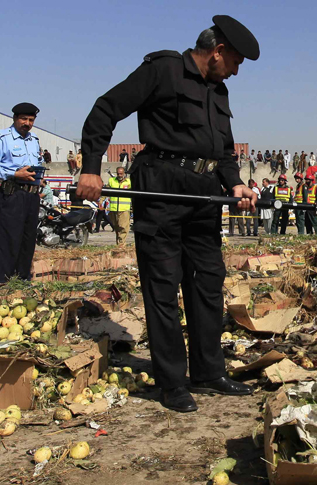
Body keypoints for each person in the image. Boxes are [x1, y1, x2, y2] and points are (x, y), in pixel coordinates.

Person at [75, 16, 260, 413]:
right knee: (163, 286)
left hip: (205, 196)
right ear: (218, 51)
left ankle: (209, 372)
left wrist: (237, 183)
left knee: (208, 282)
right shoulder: (162, 70)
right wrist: (91, 167)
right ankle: (172, 381)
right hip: (161, 189)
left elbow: (224, 151)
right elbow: (107, 108)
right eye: (237, 61)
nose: (237, 70)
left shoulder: (219, 91)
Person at [0, 102, 45, 280]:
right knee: (8, 240)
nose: (27, 123)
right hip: (11, 195)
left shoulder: (34, 140)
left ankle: (22, 281)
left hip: (31, 196)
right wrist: (14, 173)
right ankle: (2, 282)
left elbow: (37, 164)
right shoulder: (1, 138)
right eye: (24, 119)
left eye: (31, 120)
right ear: (15, 118)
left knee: (28, 241)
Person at [107, 165, 132, 245]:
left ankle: (121, 245)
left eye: (121, 174)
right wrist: (101, 201)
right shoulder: (111, 181)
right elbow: (106, 191)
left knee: (123, 227)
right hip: (114, 209)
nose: (119, 175)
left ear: (124, 173)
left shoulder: (129, 182)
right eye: (118, 174)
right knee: (116, 227)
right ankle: (118, 244)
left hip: (124, 209)